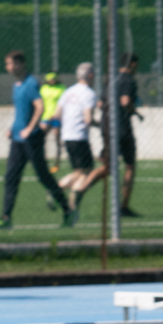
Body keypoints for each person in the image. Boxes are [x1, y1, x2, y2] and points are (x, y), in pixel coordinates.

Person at [0, 51, 72, 228]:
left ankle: (68, 210)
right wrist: (13, 128)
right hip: (17, 139)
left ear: (21, 64)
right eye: (7, 64)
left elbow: (40, 106)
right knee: (11, 176)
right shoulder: (16, 85)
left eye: (12, 64)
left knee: (43, 176)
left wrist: (30, 128)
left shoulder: (31, 83)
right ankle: (6, 217)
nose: (9, 68)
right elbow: (20, 112)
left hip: (32, 139)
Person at [57, 62, 103, 218]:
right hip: (79, 137)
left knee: (79, 171)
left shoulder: (68, 92)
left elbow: (57, 114)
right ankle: (67, 194)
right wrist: (101, 124)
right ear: (90, 75)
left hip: (67, 136)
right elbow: (88, 119)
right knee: (87, 171)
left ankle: (60, 190)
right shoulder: (89, 93)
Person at [114, 52, 144, 215]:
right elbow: (125, 101)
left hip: (109, 127)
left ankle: (79, 188)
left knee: (106, 168)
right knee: (130, 166)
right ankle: (123, 206)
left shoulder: (112, 79)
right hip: (124, 128)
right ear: (132, 64)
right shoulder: (128, 80)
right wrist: (134, 111)